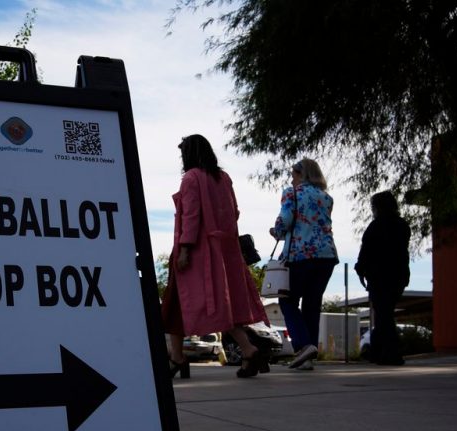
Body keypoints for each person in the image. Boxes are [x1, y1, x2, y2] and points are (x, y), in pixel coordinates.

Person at [161, 134, 270, 379]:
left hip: (197, 253)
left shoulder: (191, 178)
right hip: (224, 251)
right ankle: (180, 356)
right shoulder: (224, 178)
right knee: (206, 305)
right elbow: (235, 212)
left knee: (191, 304)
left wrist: (185, 248)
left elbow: (190, 215)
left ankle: (181, 357)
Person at [269, 159, 339, 370]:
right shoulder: (327, 198)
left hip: (301, 255)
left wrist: (276, 232)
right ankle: (307, 357)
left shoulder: (292, 193)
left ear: (302, 174)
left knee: (287, 301)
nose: (292, 179)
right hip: (326, 256)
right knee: (312, 303)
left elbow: (285, 220)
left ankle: (303, 345)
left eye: (294, 174)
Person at [355, 191, 411, 365]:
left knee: (383, 314)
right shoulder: (402, 225)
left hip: (379, 277)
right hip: (398, 276)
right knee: (384, 313)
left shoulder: (376, 226)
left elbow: (366, 251)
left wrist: (360, 269)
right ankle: (377, 352)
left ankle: (392, 353)